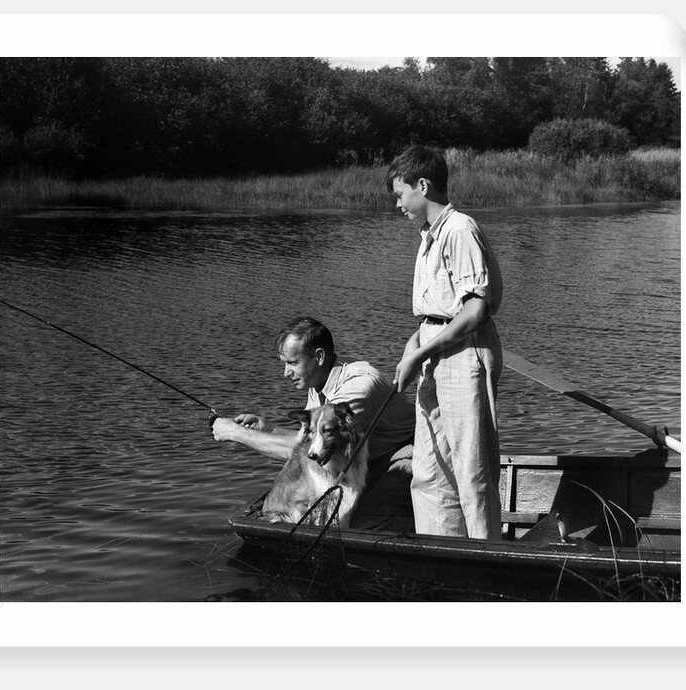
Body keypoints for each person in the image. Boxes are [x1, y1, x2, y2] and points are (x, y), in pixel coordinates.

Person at [386, 144, 504, 540]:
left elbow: (475, 312)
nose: (398, 204)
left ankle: (485, 557)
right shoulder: (428, 237)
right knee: (430, 468)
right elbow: (436, 309)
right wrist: (414, 345)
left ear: (423, 185)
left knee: (471, 469)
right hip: (434, 350)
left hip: (464, 354)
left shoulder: (459, 230)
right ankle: (441, 554)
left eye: (401, 194)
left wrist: (422, 350)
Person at [211, 317, 415, 490]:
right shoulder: (318, 380)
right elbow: (309, 441)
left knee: (365, 521)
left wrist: (234, 433)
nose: (285, 373)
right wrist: (269, 429)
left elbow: (308, 453)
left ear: (318, 356)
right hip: (367, 461)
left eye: (292, 363)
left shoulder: (355, 388)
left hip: (403, 456)